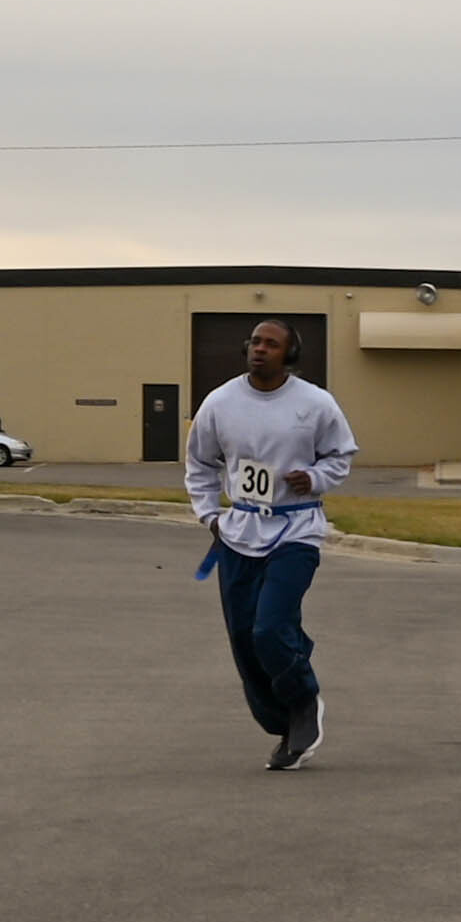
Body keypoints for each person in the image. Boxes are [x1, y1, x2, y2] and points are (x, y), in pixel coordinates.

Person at [185, 318, 357, 769]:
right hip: (239, 533)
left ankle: (304, 700)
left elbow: (341, 455)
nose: (260, 349)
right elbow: (200, 462)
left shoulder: (315, 404)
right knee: (246, 639)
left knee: (270, 628)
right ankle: (284, 726)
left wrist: (316, 477)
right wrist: (209, 514)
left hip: (295, 530)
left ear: (289, 355)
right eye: (256, 342)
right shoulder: (220, 402)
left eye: (272, 344)